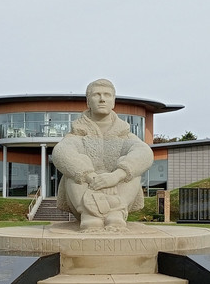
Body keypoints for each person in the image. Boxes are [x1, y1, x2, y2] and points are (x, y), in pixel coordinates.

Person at [51, 79, 154, 232]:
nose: (102, 99)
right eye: (96, 95)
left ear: (113, 101)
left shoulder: (124, 135)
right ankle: (90, 216)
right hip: (85, 196)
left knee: (131, 168)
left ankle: (116, 214)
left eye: (107, 95)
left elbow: (144, 152)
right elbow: (61, 152)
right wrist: (91, 177)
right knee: (75, 168)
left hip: (118, 197)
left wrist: (117, 175)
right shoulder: (78, 134)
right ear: (88, 101)